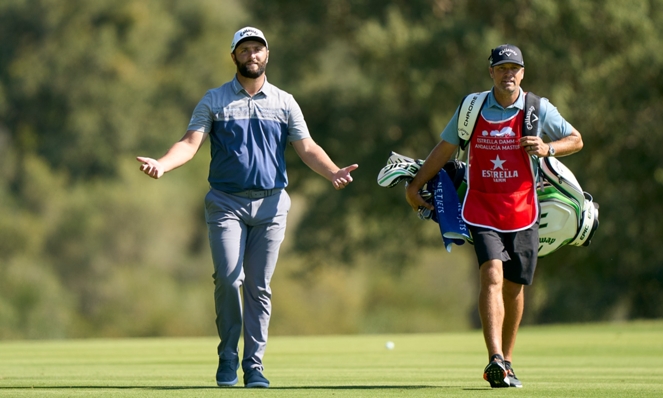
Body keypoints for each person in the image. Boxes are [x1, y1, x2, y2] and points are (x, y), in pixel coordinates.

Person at [136, 26, 358, 388]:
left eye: (258, 49)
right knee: (227, 278)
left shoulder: (284, 102)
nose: (252, 55)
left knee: (259, 286)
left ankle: (254, 366)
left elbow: (307, 148)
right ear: (234, 56)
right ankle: (228, 356)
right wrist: (162, 164)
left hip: (271, 206)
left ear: (266, 55)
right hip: (226, 203)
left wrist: (332, 171)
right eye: (245, 50)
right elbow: (190, 143)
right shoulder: (214, 100)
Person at [405, 44, 583, 388]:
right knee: (492, 275)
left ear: (523, 73)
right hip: (480, 207)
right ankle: (495, 359)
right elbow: (445, 148)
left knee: (515, 288)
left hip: (524, 210)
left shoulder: (536, 108)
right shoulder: (471, 108)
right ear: (491, 72)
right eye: (501, 68)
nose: (508, 74)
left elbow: (576, 139)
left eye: (514, 68)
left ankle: (509, 361)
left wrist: (548, 148)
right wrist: (416, 185)